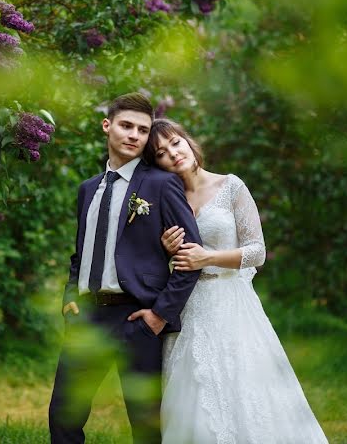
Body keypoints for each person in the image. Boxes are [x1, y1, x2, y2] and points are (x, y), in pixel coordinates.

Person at [145, 118, 328, 444]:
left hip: (231, 303)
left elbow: (257, 251)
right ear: (156, 163)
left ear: (188, 141)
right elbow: (159, 262)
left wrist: (209, 257)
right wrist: (166, 250)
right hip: (187, 309)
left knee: (245, 388)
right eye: (161, 153)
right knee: (193, 396)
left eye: (175, 143)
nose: (173, 154)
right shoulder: (164, 199)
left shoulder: (230, 186)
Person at [49, 94, 204, 444]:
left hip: (138, 319)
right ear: (107, 126)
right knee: (63, 415)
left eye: (143, 130)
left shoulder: (161, 185)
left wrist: (160, 315)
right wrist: (70, 297)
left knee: (145, 425)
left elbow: (191, 257)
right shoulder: (87, 189)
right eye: (126, 126)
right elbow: (80, 254)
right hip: (86, 319)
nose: (134, 135)